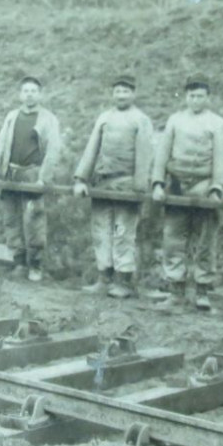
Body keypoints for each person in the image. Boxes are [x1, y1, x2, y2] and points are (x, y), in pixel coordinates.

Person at [73, 74, 156, 298]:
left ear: (133, 94)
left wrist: (139, 187)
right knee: (101, 230)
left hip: (127, 184)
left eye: (126, 91)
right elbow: (92, 148)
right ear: (112, 94)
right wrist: (82, 179)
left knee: (123, 232)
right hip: (102, 182)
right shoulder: (104, 118)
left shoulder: (140, 119)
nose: (121, 95)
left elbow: (145, 155)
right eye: (117, 91)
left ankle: (123, 281)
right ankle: (104, 278)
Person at [151, 79, 223, 310]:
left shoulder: (216, 123)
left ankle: (202, 291)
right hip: (176, 183)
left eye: (200, 96)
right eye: (192, 96)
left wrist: (216, 187)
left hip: (204, 183)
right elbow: (162, 153)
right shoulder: (175, 120)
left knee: (205, 239)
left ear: (208, 97)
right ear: (185, 97)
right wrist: (157, 183)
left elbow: (221, 158)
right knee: (173, 238)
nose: (196, 100)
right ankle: (176, 290)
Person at [0, 75, 63, 281]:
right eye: (26, 91)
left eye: (33, 91)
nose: (29, 94)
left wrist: (43, 178)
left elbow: (54, 151)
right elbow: (0, 144)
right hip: (11, 173)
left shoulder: (48, 119)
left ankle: (35, 264)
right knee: (11, 218)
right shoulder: (12, 116)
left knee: (33, 219)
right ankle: (18, 261)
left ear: (40, 94)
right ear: (20, 94)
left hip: (32, 174)